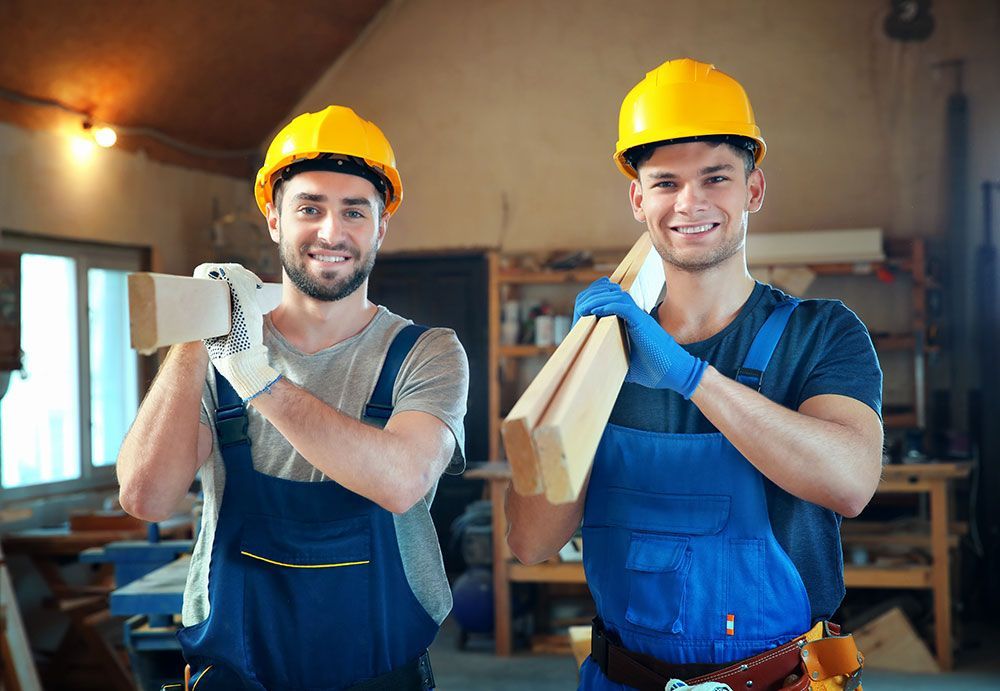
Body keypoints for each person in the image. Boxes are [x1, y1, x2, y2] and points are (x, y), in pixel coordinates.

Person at [506, 58, 883, 691]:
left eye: (716, 178)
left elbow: (849, 483)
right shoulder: (603, 353)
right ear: (638, 198)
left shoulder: (822, 332)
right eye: (665, 183)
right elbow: (530, 540)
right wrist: (576, 379)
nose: (690, 203)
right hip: (623, 680)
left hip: (778, 683)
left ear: (752, 190)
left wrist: (688, 375)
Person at [117, 105, 468, 690]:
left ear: (381, 227)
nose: (332, 232)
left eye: (354, 211)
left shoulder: (428, 353)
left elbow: (401, 482)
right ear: (274, 220)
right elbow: (146, 498)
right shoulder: (215, 349)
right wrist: (197, 335)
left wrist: (257, 379)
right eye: (310, 208)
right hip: (236, 671)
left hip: (382, 673)